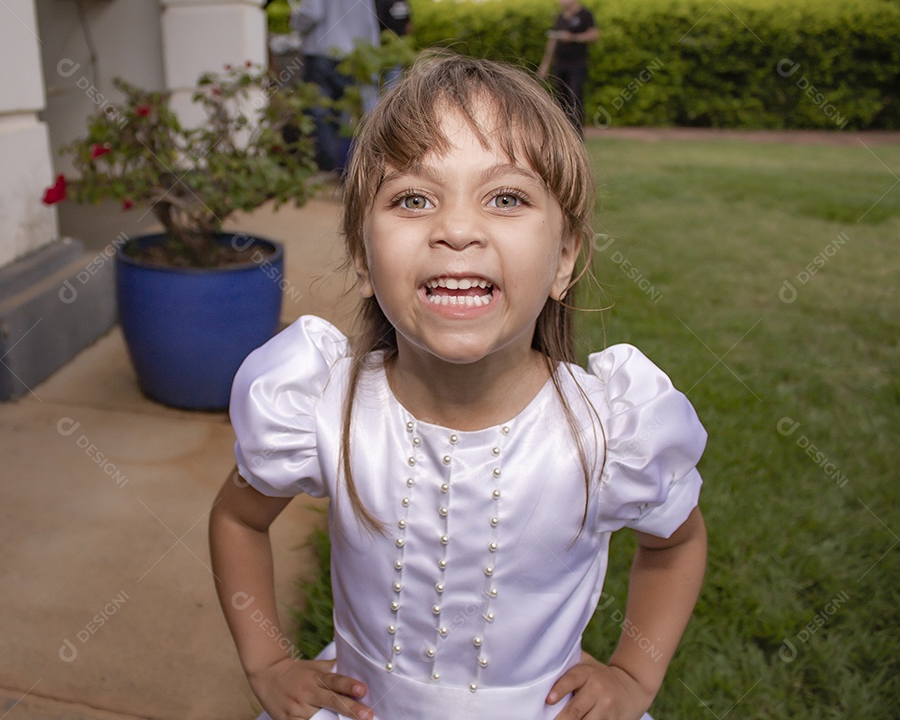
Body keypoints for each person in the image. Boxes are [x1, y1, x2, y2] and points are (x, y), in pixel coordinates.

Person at [210, 52, 707, 720]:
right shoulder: (322, 412)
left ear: (564, 259)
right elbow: (239, 517)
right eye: (413, 198)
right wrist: (267, 662)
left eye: (506, 198)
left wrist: (633, 676)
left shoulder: (611, 433)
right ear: (363, 258)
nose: (457, 230)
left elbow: (675, 543)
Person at [290, 0, 379, 173]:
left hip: (322, 54)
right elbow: (370, 25)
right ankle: (344, 168)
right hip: (353, 56)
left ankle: (330, 166)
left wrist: (294, 22)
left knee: (318, 113)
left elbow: (311, 13)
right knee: (344, 117)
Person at [538, 0, 600, 135]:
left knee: (575, 98)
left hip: (576, 65)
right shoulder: (560, 17)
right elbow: (552, 42)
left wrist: (572, 37)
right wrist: (545, 64)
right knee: (560, 100)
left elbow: (594, 35)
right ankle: (562, 133)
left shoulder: (585, 15)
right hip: (560, 65)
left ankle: (577, 134)